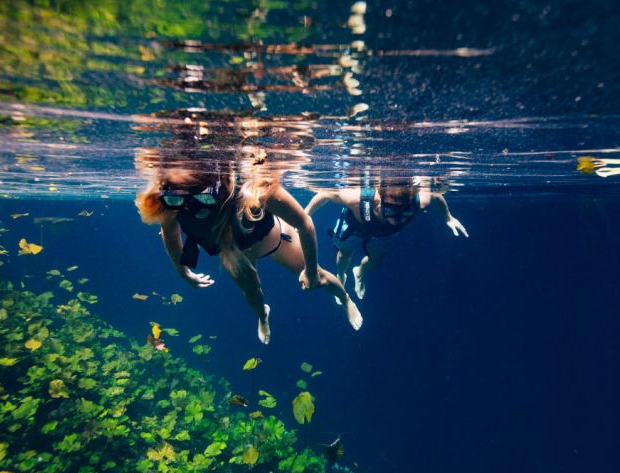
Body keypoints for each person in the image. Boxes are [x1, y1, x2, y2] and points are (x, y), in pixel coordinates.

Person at [136, 143, 362, 344]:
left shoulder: (255, 189)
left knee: (320, 278)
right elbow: (170, 233)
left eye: (204, 197)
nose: (193, 208)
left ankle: (346, 299)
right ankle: (263, 315)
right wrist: (182, 270)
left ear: (220, 184)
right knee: (251, 292)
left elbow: (305, 223)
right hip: (234, 253)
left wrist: (311, 271)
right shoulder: (170, 200)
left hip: (274, 239)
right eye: (179, 199)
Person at [304, 175, 468, 299]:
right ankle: (340, 276)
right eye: (391, 210)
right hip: (355, 224)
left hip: (381, 232)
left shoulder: (420, 202)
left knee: (377, 260)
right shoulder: (358, 199)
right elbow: (325, 194)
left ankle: (359, 271)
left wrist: (448, 217)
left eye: (405, 213)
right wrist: (303, 218)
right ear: (379, 201)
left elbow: (437, 196)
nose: (396, 218)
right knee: (345, 254)